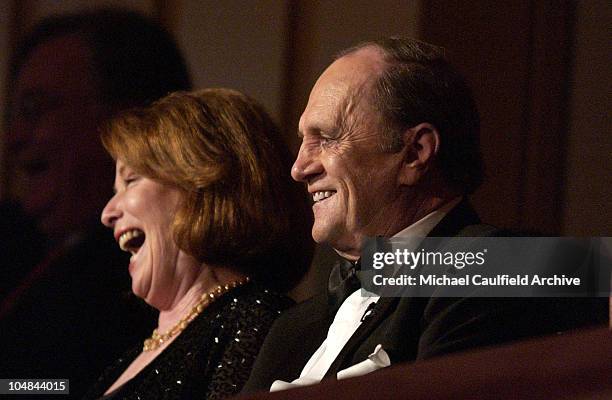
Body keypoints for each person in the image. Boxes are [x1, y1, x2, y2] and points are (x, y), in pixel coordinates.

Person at [243, 37, 608, 392]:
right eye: (304, 140)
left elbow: (591, 268)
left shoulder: (489, 264)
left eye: (328, 138)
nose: (299, 167)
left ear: (415, 153)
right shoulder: (293, 328)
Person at [0, 9, 191, 397]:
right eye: (15, 115)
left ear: (128, 122)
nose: (15, 137)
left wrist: (7, 389)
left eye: (37, 110)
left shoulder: (163, 271)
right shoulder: (11, 235)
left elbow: (67, 388)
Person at [83, 88, 314, 399]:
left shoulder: (255, 322)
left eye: (131, 180)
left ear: (203, 185)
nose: (107, 213)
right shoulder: (130, 353)